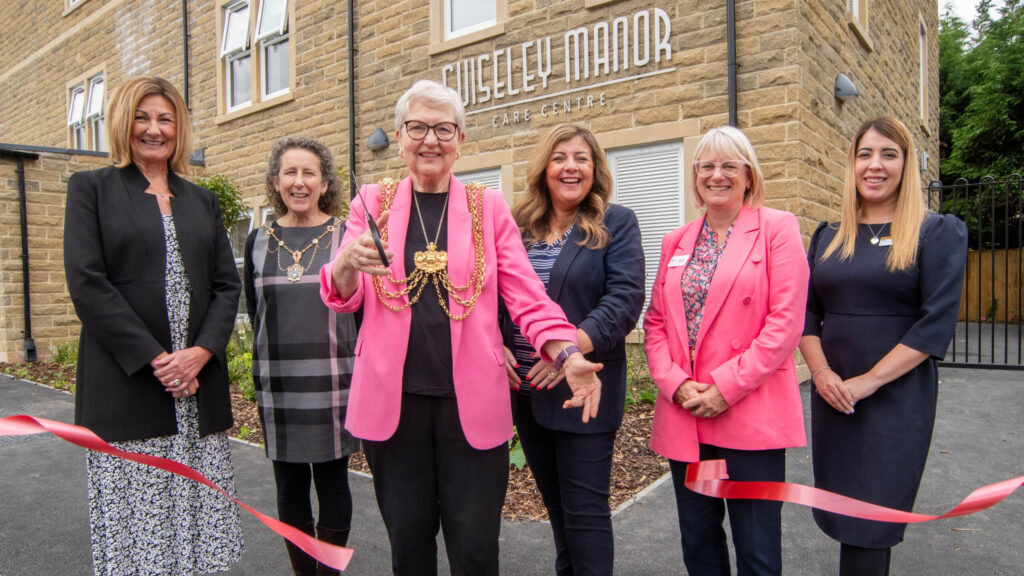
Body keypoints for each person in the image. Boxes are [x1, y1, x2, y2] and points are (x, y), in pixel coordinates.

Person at [319, 79, 603, 576]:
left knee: (474, 551)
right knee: (409, 548)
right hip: (394, 402)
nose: (431, 139)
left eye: (444, 128)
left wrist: (567, 354)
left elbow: (525, 297)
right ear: (401, 137)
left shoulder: (487, 207)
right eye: (417, 127)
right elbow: (345, 294)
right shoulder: (372, 202)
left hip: (471, 401)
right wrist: (346, 262)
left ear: (461, 140)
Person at [63, 76, 243, 575]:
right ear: (123, 123)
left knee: (197, 523)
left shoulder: (202, 200)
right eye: (142, 117)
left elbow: (228, 287)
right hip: (130, 386)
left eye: (165, 119)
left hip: (195, 390)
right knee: (138, 531)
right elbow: (87, 283)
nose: (154, 129)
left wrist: (200, 354)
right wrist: (159, 361)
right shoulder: (91, 191)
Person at [799, 116, 967, 576]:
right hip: (834, 394)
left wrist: (867, 384)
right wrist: (823, 375)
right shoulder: (828, 235)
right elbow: (807, 315)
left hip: (894, 397)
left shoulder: (937, 232)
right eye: (865, 154)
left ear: (906, 163)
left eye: (888, 154)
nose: (875, 165)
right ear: (852, 164)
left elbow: (934, 325)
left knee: (872, 520)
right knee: (844, 512)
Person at [643, 125, 808, 576]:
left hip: (748, 416)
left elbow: (786, 323)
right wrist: (675, 386)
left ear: (748, 176)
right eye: (707, 166)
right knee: (700, 545)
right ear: (695, 177)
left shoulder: (777, 228)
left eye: (729, 166)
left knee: (756, 551)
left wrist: (725, 387)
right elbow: (655, 322)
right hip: (690, 419)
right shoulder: (675, 241)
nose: (717, 175)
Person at [499, 123, 645, 575]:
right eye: (560, 157)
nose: (570, 166)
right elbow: (494, 292)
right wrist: (495, 342)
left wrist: (563, 351)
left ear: (595, 169)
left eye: (581, 158)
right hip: (526, 389)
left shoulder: (615, 223)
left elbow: (624, 301)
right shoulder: (518, 227)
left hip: (584, 390)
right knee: (559, 513)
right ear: (544, 168)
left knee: (585, 515)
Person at [243, 137, 358, 576]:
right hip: (279, 383)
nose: (299, 182)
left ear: (324, 181)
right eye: (289, 172)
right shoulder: (257, 240)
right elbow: (257, 317)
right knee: (288, 485)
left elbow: (362, 312)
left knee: (333, 483)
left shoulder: (348, 235)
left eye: (309, 173)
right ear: (276, 181)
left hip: (334, 378)